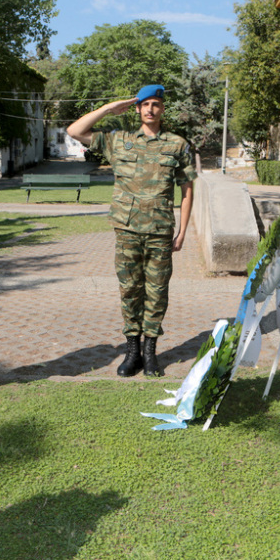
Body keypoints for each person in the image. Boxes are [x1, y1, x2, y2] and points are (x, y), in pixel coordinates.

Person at [67, 84, 196, 377]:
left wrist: (183, 231)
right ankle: (132, 351)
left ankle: (150, 353)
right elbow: (74, 131)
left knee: (157, 291)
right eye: (145, 104)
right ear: (137, 109)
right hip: (127, 231)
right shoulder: (118, 140)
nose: (151, 109)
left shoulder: (178, 144)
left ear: (163, 109)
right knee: (130, 291)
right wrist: (107, 109)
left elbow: (187, 190)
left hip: (160, 231)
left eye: (156, 104)